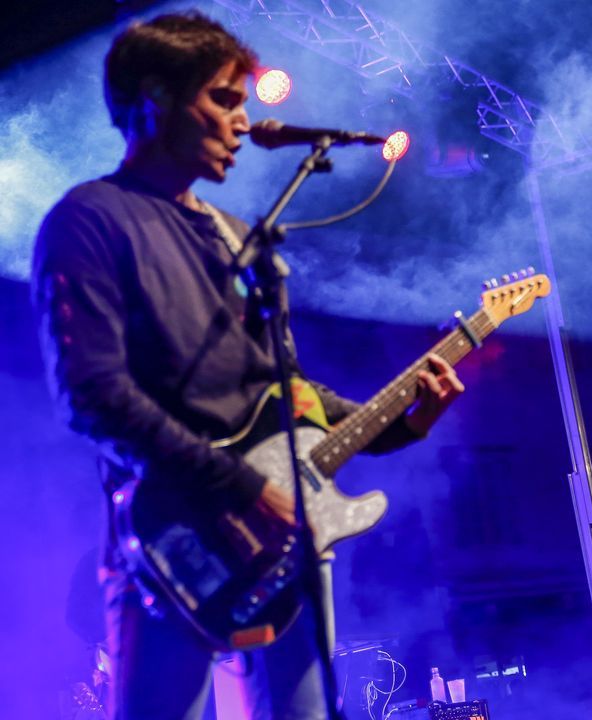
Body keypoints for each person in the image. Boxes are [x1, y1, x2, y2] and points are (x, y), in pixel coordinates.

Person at [31, 12, 463, 719]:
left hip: (278, 543)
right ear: (154, 100)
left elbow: (288, 397)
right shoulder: (90, 221)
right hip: (170, 543)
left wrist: (404, 422)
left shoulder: (234, 238)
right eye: (223, 100)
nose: (241, 121)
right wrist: (241, 487)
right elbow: (92, 394)